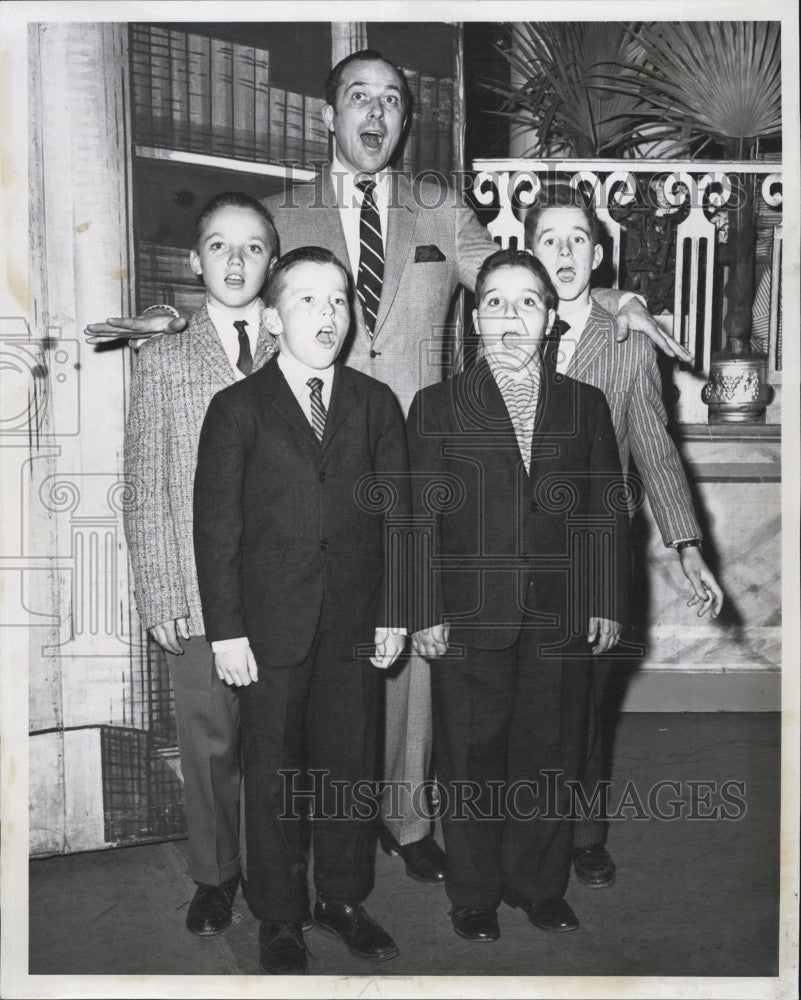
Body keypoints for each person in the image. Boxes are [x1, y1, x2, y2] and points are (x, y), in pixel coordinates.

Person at [86, 47, 690, 886]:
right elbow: (231, 296)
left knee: (405, 651)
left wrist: (614, 297)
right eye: (358, 97)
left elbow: (518, 286)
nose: (376, 113)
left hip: (414, 463)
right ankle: (284, 854)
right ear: (328, 116)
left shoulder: (441, 211)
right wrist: (166, 320)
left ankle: (406, 822)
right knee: (300, 674)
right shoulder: (277, 212)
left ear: (406, 123)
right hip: (311, 464)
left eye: (393, 102)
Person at [192, 246, 409, 974]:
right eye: (309, 300)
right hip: (270, 630)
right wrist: (227, 630)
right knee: (276, 771)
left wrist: (395, 611)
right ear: (272, 317)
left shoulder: (375, 404)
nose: (328, 314)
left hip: (354, 624)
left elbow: (398, 518)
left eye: (340, 299)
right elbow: (216, 527)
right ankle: (279, 915)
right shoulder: (236, 410)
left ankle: (342, 899)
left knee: (350, 766)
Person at [407, 248, 630, 941]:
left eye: (526, 302)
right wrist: (420, 610)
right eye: (494, 301)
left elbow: (603, 508)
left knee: (548, 749)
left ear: (550, 319)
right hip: (468, 617)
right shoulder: (437, 406)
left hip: (557, 615)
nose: (509, 316)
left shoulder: (583, 404)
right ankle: (473, 892)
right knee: (470, 756)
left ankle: (538, 884)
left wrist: (603, 597)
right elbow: (412, 516)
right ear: (475, 319)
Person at [524, 185, 724, 890]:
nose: (564, 253)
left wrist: (688, 548)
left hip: (593, 555)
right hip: (513, 556)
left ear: (599, 253)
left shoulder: (628, 344)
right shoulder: (499, 325)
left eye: (577, 238)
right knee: (520, 703)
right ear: (527, 251)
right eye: (549, 239)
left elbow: (654, 447)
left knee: (583, 707)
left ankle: (581, 836)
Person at [123, 192, 279, 936]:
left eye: (253, 247)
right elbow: (145, 484)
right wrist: (158, 592)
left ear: (273, 262)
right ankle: (215, 874)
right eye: (219, 245)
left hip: (282, 590)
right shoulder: (164, 360)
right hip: (193, 587)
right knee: (209, 736)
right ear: (193, 261)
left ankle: (278, 870)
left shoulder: (300, 346)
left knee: (277, 739)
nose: (237, 260)